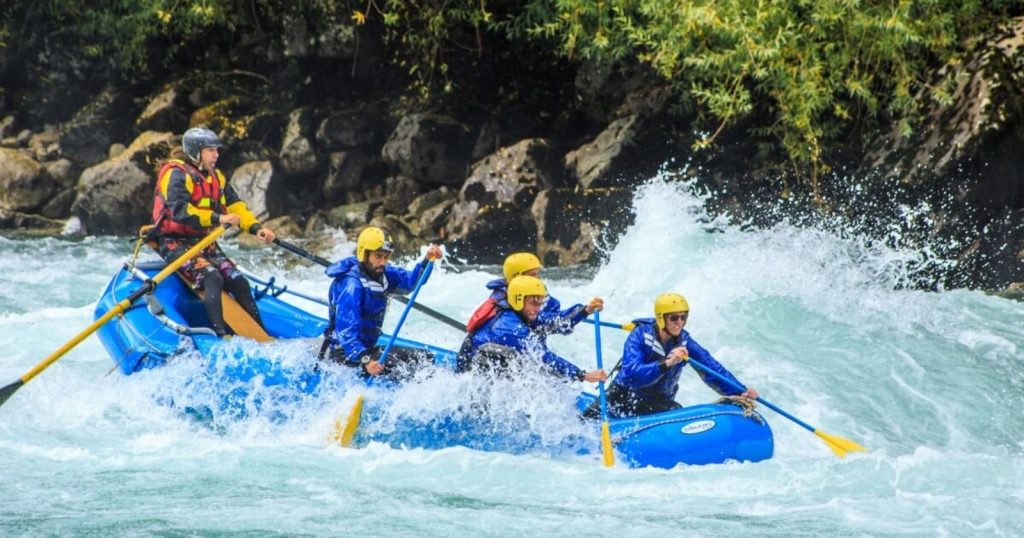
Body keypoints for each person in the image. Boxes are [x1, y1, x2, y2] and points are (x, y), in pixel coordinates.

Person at [151, 127, 276, 337]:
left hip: (203, 240)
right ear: (195, 152)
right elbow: (180, 211)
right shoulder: (176, 174)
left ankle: (261, 334)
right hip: (174, 241)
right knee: (213, 278)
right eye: (210, 150)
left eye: (216, 150)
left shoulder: (216, 177)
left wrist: (256, 228)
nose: (216, 155)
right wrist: (218, 218)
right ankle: (220, 335)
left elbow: (236, 207)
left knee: (238, 279)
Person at [592, 292, 758, 418]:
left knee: (675, 410)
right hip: (623, 396)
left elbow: (710, 367)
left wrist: (739, 391)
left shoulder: (684, 342)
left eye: (683, 317)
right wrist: (667, 362)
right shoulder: (639, 336)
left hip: (657, 401)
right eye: (674, 318)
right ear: (661, 318)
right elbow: (631, 376)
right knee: (586, 420)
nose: (680, 322)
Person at [323, 226, 443, 378]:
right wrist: (366, 361)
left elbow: (411, 282)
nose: (383, 262)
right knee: (405, 371)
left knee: (425, 357)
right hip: (346, 354)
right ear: (364, 254)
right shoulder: (352, 286)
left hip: (367, 350)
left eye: (386, 257)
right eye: (378, 256)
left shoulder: (382, 273)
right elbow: (346, 332)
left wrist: (427, 260)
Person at [459, 275, 607, 383]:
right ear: (518, 300)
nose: (537, 309)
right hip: (471, 375)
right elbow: (542, 356)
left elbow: (556, 321)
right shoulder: (509, 328)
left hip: (491, 367)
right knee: (529, 362)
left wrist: (584, 311)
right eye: (534, 303)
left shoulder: (523, 311)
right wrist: (583, 375)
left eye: (540, 304)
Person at [465, 252, 603, 335]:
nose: (538, 279)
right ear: (517, 276)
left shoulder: (533, 292)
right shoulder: (512, 301)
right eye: (533, 275)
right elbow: (552, 323)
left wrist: (584, 310)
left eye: (538, 274)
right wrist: (584, 311)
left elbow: (555, 318)